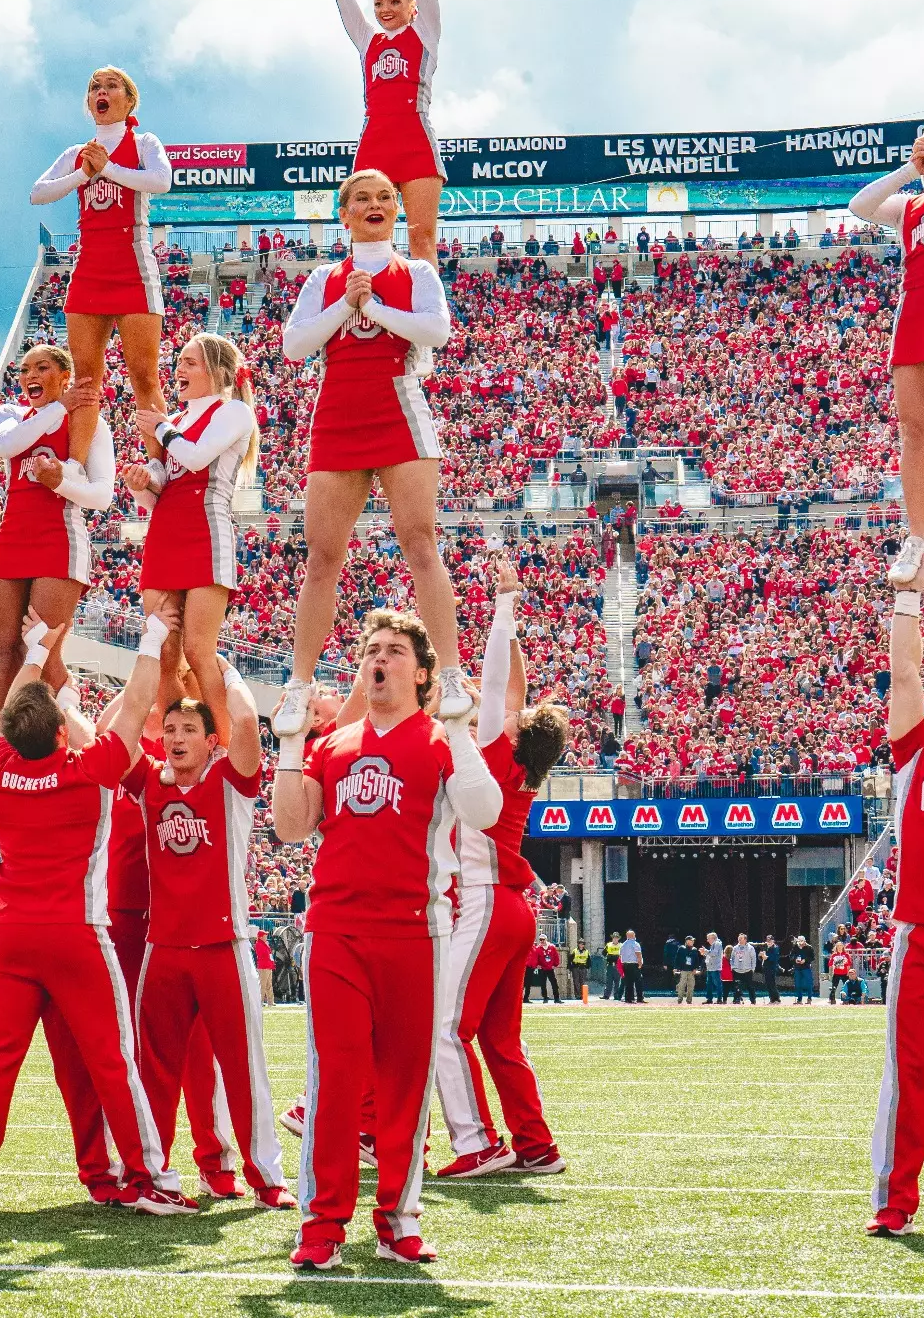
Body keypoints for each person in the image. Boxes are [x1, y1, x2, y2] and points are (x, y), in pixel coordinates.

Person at [0, 614, 194, 1217]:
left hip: (10, 938)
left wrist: (28, 654)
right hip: (77, 934)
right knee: (110, 1060)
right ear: (59, 733)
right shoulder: (89, 769)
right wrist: (152, 639)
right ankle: (147, 1177)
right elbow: (135, 705)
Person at [271, 609, 502, 1268]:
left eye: (395, 650)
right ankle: (321, 1225)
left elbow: (484, 811)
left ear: (423, 672)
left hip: (415, 932)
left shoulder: (439, 738)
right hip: (336, 931)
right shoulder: (334, 744)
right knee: (335, 1080)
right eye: (372, 649)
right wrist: (290, 744)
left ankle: (398, 1219)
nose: (379, 658)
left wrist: (458, 727)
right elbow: (290, 826)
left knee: (405, 1083)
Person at [273, 169, 464, 742]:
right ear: (345, 214)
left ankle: (452, 675)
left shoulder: (417, 272)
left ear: (397, 210)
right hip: (338, 413)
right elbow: (294, 345)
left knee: (420, 541)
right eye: (362, 198)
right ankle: (299, 684)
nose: (375, 203)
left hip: (399, 407)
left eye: (385, 196)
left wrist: (373, 308)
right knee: (322, 556)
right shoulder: (323, 278)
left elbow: (437, 331)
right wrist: (347, 304)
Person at [124, 669, 293, 1208]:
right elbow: (111, 736)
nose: (176, 738)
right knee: (154, 1071)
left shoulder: (229, 782)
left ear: (211, 739)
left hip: (225, 945)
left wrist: (223, 669)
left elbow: (244, 720)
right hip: (164, 947)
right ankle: (150, 1175)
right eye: (170, 729)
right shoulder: (151, 783)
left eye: (189, 730)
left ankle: (266, 1177)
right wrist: (149, 670)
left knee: (244, 1071)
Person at [431, 558, 568, 1178]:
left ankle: (478, 1142)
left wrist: (504, 605)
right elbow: (512, 691)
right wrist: (508, 617)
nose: (509, 711)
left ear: (514, 734)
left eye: (515, 717)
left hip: (485, 903)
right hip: (513, 909)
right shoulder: (521, 768)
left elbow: (496, 688)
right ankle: (535, 1144)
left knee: (446, 1027)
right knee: (500, 1038)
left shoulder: (492, 753)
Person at [29, 66, 172, 473]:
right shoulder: (77, 153)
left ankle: (158, 465)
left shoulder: (143, 142)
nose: (101, 92)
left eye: (111, 86)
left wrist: (106, 169)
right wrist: (83, 173)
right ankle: (76, 468)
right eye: (94, 87)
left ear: (129, 100)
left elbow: (162, 180)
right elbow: (37, 193)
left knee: (144, 376)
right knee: (86, 380)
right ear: (89, 102)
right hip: (89, 267)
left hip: (133, 265)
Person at [868, 561, 924, 1236]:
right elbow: (903, 676)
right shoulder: (920, 752)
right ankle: (895, 1202)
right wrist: (906, 598)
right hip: (922, 936)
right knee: (908, 1075)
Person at [124, 333, 259, 739]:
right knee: (163, 653)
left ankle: (224, 747)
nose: (179, 369)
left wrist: (161, 428)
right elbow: (161, 488)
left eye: (190, 362)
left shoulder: (234, 411)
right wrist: (140, 483)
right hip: (164, 534)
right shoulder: (177, 422)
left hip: (206, 532)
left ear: (218, 372)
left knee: (198, 650)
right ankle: (181, 745)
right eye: (179, 361)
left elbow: (197, 457)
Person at [846, 117, 924, 586]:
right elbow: (859, 205)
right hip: (918, 313)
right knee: (914, 432)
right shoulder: (909, 206)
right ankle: (917, 537)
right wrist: (912, 170)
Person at [0, 345, 112, 714]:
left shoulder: (89, 422)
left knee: (43, 648)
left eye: (42, 368)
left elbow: (102, 495)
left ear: (64, 376)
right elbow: (6, 444)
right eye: (24, 370)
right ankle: (2, 738)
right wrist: (59, 407)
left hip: (60, 538)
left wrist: (60, 483)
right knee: (6, 651)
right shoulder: (11, 414)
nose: (30, 376)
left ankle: (66, 731)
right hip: (12, 537)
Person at [326, 0, 444, 262]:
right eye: (378, 4)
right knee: (368, 240)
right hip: (374, 144)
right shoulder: (367, 39)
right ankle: (367, 292)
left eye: (394, 1)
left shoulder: (424, 32)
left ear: (413, 7)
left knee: (422, 238)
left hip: (416, 141)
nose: (385, 9)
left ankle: (428, 293)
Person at [618, 931, 645, 1003]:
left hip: (625, 965)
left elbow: (620, 956)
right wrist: (640, 964)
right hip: (634, 965)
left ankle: (628, 998)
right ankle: (640, 998)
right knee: (638, 981)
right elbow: (638, 954)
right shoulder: (635, 944)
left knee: (628, 982)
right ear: (633, 936)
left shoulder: (623, 945)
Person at [792, 936, 818, 1005]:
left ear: (804, 941)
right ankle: (799, 999)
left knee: (809, 983)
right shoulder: (795, 947)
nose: (800, 943)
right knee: (798, 984)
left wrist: (805, 960)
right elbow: (791, 956)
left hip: (806, 967)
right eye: (799, 941)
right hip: (797, 968)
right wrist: (795, 959)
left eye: (802, 941)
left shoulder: (809, 947)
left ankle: (809, 998)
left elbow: (812, 957)